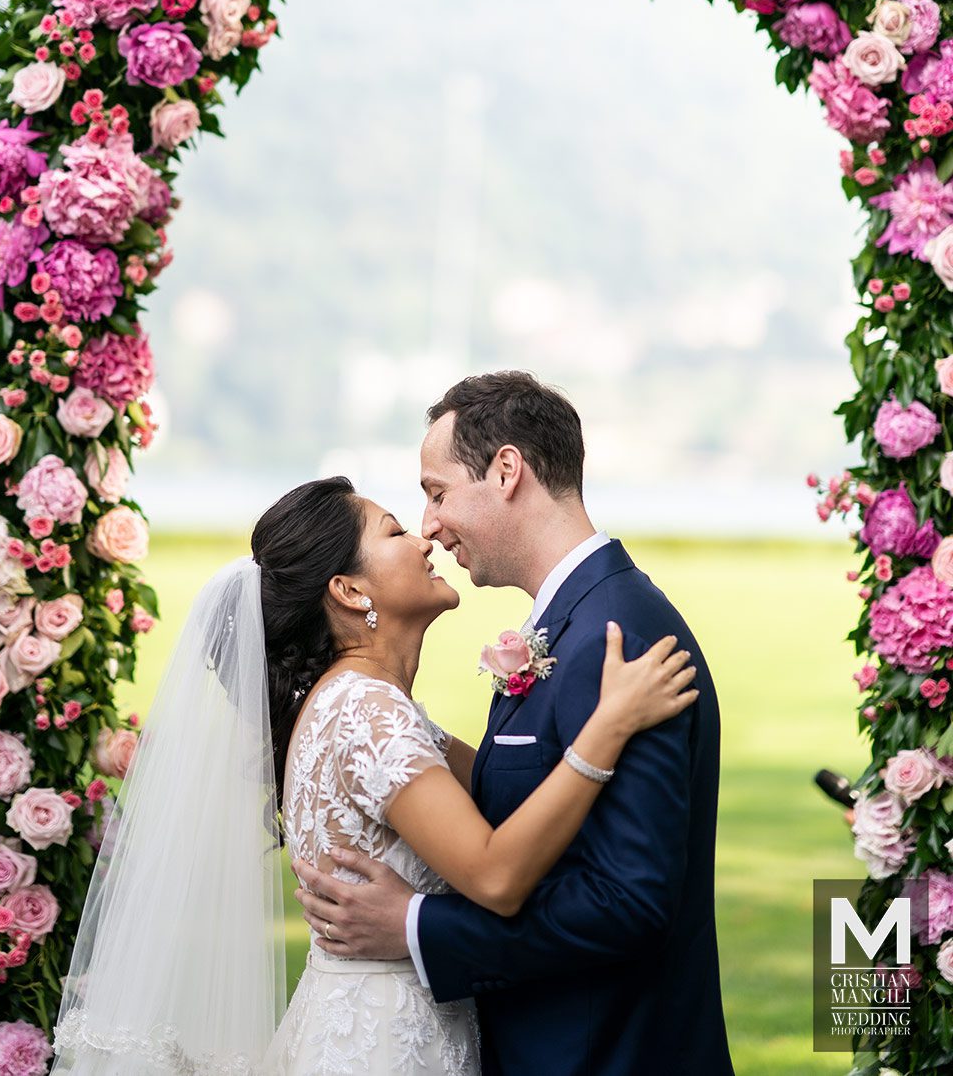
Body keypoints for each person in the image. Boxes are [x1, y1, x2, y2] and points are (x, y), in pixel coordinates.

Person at [49, 470, 696, 1076]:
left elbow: (508, 790)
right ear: (351, 591)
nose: (422, 537)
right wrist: (606, 730)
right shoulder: (364, 711)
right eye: (392, 531)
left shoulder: (369, 706)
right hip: (382, 1044)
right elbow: (497, 874)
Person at [295, 370, 735, 1076]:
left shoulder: (614, 640)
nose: (430, 525)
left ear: (506, 471)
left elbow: (628, 903)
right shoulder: (573, 626)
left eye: (436, 494)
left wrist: (414, 926)